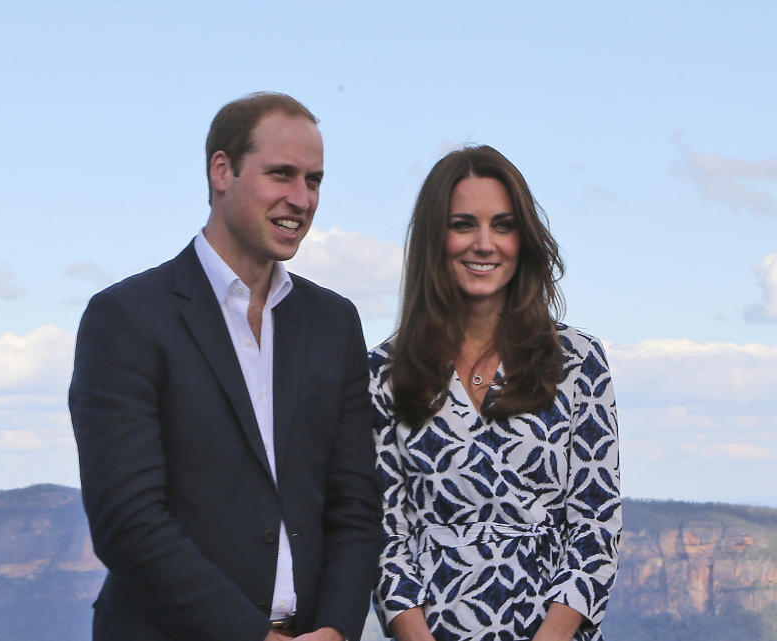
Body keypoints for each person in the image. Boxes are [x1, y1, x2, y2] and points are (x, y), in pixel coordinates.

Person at [68, 92, 380, 641]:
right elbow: (128, 523)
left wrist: (335, 628)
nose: (301, 199)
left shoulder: (335, 323)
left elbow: (355, 505)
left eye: (314, 180)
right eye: (281, 174)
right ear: (221, 170)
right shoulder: (126, 318)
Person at [369, 146, 620, 641]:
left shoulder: (578, 361)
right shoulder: (384, 372)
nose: (485, 244)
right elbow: (385, 536)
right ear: (433, 239)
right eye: (463, 224)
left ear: (523, 239)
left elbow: (596, 527)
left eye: (503, 225)